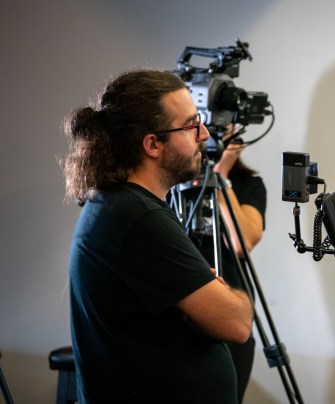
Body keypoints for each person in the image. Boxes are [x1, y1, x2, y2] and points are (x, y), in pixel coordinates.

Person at [61, 69, 253, 403]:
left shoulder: (120, 204)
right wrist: (221, 297)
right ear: (152, 144)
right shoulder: (137, 217)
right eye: (191, 125)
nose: (205, 134)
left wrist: (207, 301)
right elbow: (236, 323)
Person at [188, 124, 267, 403]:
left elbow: (242, 243)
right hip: (183, 317)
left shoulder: (249, 185)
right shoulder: (177, 182)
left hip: (229, 313)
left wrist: (220, 177)